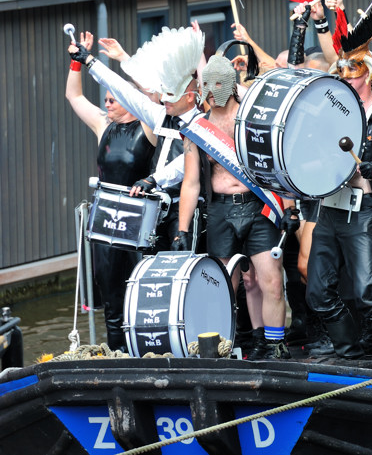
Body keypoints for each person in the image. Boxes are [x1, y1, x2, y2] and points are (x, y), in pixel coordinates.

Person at [306, 24, 372, 369]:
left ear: (367, 74)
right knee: (317, 291)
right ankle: (349, 351)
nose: (344, 77)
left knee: (366, 289)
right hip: (329, 206)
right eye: (340, 71)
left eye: (352, 71)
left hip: (363, 210)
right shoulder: (330, 114)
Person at [177, 53, 292, 360]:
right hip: (220, 211)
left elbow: (277, 166)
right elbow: (191, 183)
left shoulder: (253, 118)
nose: (210, 92)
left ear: (229, 85)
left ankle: (274, 345)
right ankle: (239, 343)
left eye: (216, 85)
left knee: (271, 279)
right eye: (206, 86)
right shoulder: (198, 129)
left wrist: (291, 208)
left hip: (258, 208)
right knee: (224, 285)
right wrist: (182, 228)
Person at [66, 32, 156, 352]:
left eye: (113, 98)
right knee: (112, 297)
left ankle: (143, 351)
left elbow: (153, 95)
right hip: (106, 217)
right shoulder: (104, 126)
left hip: (137, 217)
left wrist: (122, 61)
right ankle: (115, 353)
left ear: (128, 100)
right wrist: (77, 62)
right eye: (105, 98)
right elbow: (74, 98)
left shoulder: (147, 125)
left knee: (138, 293)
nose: (107, 103)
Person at [77, 27, 204, 252]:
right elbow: (125, 91)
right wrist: (90, 61)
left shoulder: (201, 123)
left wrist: (153, 179)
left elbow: (185, 162)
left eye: (171, 98)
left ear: (190, 97)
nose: (164, 101)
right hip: (155, 207)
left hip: (184, 209)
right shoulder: (161, 115)